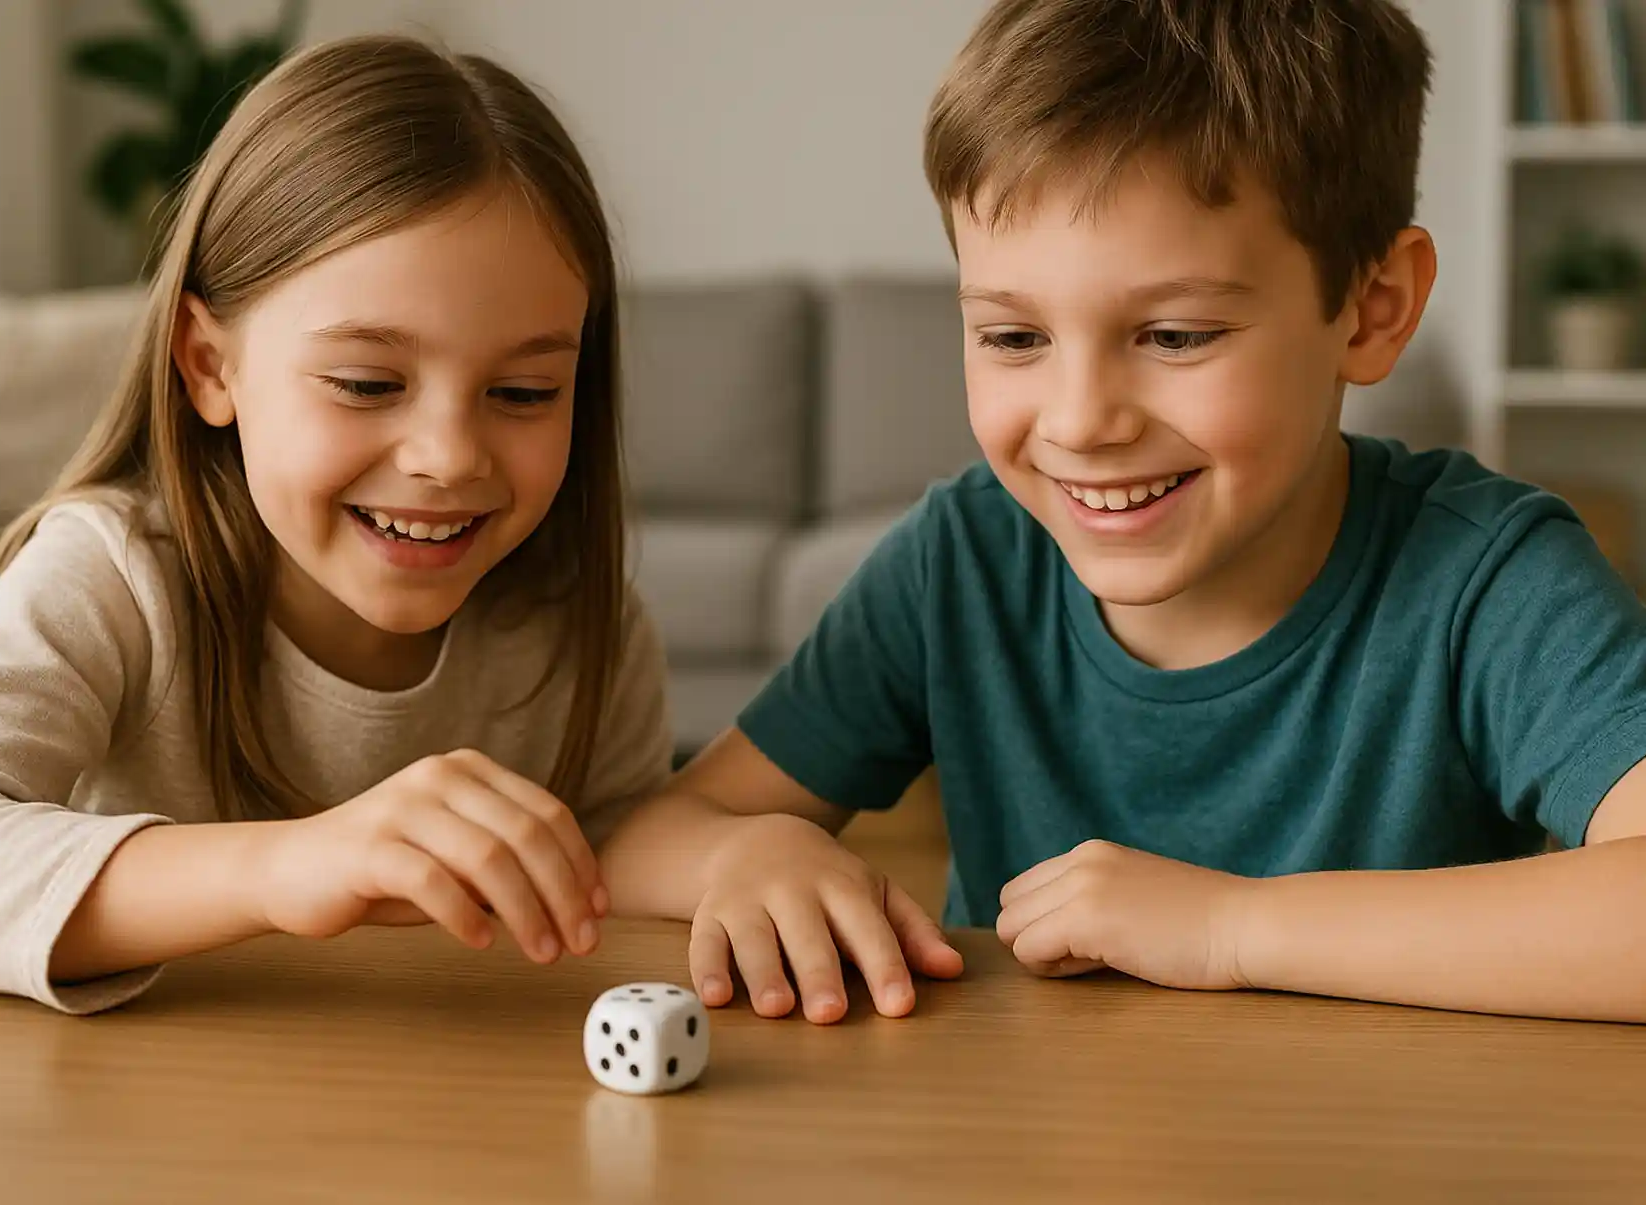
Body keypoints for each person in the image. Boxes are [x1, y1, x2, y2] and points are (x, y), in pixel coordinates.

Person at [600, 0, 1646, 1027]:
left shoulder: (1488, 580)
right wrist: (746, 850)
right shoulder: (961, 559)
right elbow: (648, 836)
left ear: (1369, 311)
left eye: (1175, 335)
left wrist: (1233, 928)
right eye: (1013, 338)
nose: (1079, 421)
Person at [0, 35, 672, 1013]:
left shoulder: (582, 622)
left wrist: (745, 853)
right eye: (366, 382)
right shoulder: (112, 576)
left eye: (525, 390)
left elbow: (616, 846)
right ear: (208, 364)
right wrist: (288, 864)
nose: (449, 455)